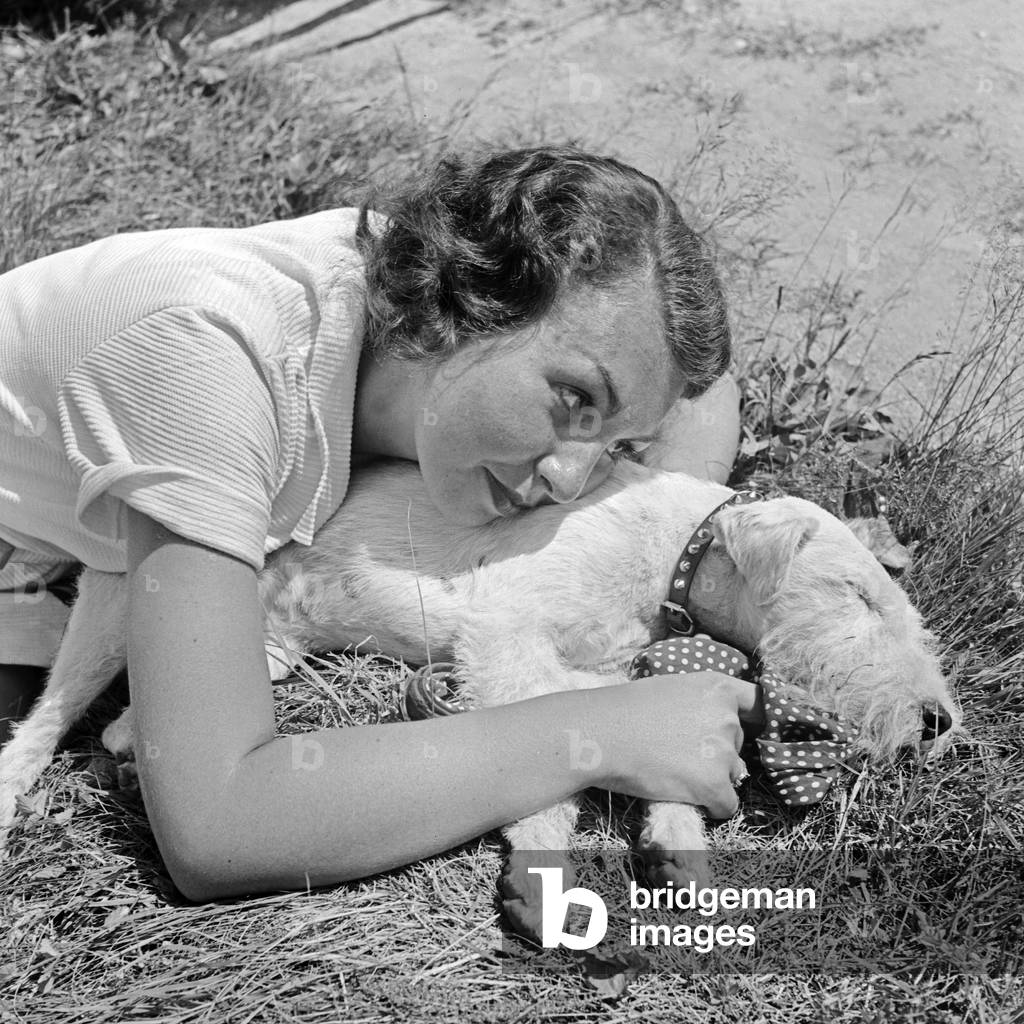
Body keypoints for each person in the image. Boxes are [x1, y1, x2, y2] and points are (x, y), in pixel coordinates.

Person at [0, 145, 759, 899]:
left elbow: (705, 386)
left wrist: (675, 533)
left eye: (617, 445)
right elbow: (219, 826)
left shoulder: (421, 317)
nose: (571, 481)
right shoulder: (212, 366)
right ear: (476, 303)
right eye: (573, 401)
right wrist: (600, 732)